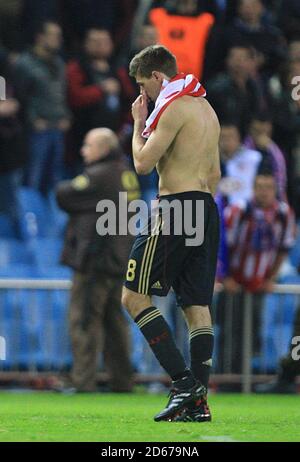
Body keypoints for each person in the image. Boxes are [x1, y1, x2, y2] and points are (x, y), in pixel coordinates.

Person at [121, 45, 221, 422]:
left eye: (144, 86)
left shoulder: (174, 105)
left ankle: (183, 383)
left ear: (158, 77)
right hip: (206, 209)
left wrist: (136, 124)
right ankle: (199, 405)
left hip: (176, 208)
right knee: (197, 309)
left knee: (132, 297)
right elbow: (215, 176)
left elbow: (143, 164)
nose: (142, 96)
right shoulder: (206, 110)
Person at [56, 128, 140, 393]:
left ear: (103, 149)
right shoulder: (126, 174)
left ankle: (83, 381)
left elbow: (65, 195)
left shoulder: (99, 175)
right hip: (120, 259)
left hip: (96, 260)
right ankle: (122, 380)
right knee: (115, 323)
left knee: (84, 320)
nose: (83, 150)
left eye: (87, 145)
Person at [217, 174, 296, 373]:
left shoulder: (284, 214)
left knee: (253, 332)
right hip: (233, 281)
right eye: (260, 186)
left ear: (275, 190)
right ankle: (226, 378)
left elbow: (284, 248)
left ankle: (247, 379)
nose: (264, 192)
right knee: (230, 330)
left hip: (259, 283)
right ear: (253, 188)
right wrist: (225, 277)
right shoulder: (238, 211)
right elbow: (222, 246)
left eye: (268, 187)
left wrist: (271, 277)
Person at [14, 21, 70, 195]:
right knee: (33, 176)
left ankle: (50, 220)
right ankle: (30, 218)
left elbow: (62, 92)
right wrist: (32, 120)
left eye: (59, 35)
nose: (58, 39)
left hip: (58, 127)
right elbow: (20, 96)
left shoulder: (59, 63)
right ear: (40, 37)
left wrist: (66, 116)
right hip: (37, 129)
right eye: (54, 35)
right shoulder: (25, 63)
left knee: (54, 178)